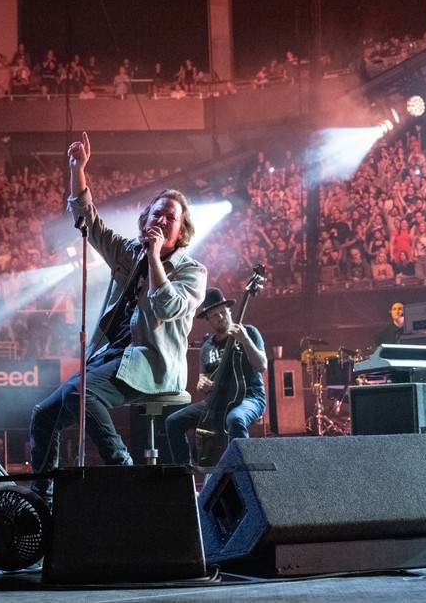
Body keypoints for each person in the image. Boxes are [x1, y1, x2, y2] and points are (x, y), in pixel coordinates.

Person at [29, 132, 207, 505]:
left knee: (82, 393)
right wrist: (78, 170)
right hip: (110, 357)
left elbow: (166, 308)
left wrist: (155, 257)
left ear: (182, 231)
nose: (160, 219)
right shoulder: (128, 253)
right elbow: (89, 222)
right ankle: (42, 500)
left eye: (169, 217)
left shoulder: (192, 270)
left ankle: (123, 470)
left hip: (149, 363)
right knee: (43, 415)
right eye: (156, 213)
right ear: (145, 220)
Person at [165, 288, 267, 466]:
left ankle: (244, 472)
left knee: (235, 419)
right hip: (217, 401)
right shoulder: (207, 347)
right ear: (208, 319)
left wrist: (245, 340)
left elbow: (262, 366)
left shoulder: (249, 332)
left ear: (229, 310)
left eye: (223, 312)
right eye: (214, 315)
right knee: (173, 421)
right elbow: (202, 382)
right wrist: (201, 383)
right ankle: (184, 475)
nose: (220, 317)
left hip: (249, 397)